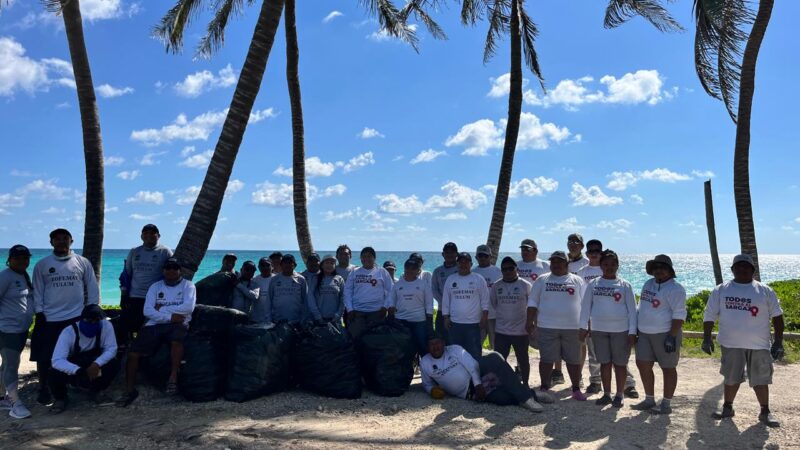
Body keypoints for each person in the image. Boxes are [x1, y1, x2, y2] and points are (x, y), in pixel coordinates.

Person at [702, 254, 784, 427]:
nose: (742, 269)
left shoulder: (765, 290)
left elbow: (777, 317)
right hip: (731, 344)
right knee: (731, 377)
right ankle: (727, 407)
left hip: (759, 344)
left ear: (753, 270)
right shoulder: (721, 289)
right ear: (732, 270)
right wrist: (707, 338)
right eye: (738, 266)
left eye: (746, 266)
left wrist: (778, 342)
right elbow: (709, 314)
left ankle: (765, 411)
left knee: (761, 379)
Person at [31, 228, 99, 406]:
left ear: (71, 241)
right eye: (57, 239)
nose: (61, 242)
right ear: (51, 242)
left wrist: (92, 307)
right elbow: (37, 290)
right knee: (44, 356)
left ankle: (73, 384)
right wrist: (39, 312)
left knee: (75, 353)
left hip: (75, 317)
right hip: (49, 318)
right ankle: (43, 387)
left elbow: (91, 285)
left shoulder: (82, 262)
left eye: (65, 239)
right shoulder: (42, 264)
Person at [117, 257, 196, 407]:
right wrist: (170, 317)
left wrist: (161, 309)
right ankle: (129, 389)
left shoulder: (188, 286)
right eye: (168, 268)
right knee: (134, 353)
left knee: (176, 341)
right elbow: (147, 311)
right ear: (163, 270)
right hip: (157, 323)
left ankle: (173, 378)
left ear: (180, 270)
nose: (171, 270)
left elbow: (188, 308)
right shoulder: (155, 287)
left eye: (174, 267)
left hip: (178, 323)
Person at [420, 334, 543, 412]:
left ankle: (526, 399)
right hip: (468, 392)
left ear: (443, 343)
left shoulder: (454, 349)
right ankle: (532, 394)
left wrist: (478, 383)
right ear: (427, 346)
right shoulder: (425, 362)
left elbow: (472, 364)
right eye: (431, 344)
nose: (435, 347)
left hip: (477, 374)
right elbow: (426, 384)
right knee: (501, 399)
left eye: (438, 343)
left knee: (494, 359)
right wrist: (431, 390)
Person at [579, 250, 637, 408]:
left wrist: (632, 332)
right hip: (599, 330)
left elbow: (632, 311)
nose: (609, 267)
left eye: (612, 264)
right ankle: (607, 394)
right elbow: (585, 307)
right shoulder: (594, 284)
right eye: (605, 264)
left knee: (620, 364)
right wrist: (583, 326)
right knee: (604, 363)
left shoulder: (625, 285)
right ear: (601, 265)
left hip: (621, 330)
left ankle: (619, 395)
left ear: (617, 265)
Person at [526, 251, 586, 402]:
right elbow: (532, 302)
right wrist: (529, 322)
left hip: (573, 327)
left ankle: (575, 388)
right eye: (553, 262)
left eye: (560, 262)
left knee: (573, 360)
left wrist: (586, 325)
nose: (556, 265)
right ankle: (544, 387)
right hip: (546, 326)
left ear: (566, 264)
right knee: (546, 359)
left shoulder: (577, 280)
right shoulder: (541, 280)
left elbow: (586, 305)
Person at [633, 254, 687, 415]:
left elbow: (679, 314)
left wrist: (672, 336)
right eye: (656, 268)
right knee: (643, 364)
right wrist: (635, 328)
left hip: (665, 333)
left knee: (668, 368)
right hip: (644, 333)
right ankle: (649, 399)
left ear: (670, 270)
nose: (659, 271)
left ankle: (666, 403)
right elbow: (640, 306)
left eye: (663, 268)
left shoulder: (676, 289)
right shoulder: (648, 284)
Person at [49, 304, 118, 413]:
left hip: (94, 361)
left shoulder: (106, 326)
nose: (93, 323)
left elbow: (111, 349)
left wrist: (97, 364)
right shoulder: (69, 332)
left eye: (96, 320)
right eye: (89, 320)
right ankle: (60, 398)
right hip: (75, 364)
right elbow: (57, 360)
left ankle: (96, 391)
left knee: (112, 364)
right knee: (54, 371)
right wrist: (77, 371)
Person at [119, 224, 173, 347]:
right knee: (130, 327)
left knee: (150, 329)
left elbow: (172, 274)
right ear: (141, 236)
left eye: (152, 233)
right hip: (134, 296)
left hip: (155, 298)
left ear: (158, 236)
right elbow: (126, 274)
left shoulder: (165, 251)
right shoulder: (134, 251)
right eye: (146, 233)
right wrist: (123, 295)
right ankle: (128, 349)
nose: (149, 235)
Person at [0, 245, 34, 419]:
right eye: (18, 258)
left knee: (7, 364)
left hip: (21, 329)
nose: (22, 261)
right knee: (12, 365)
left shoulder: (22, 275)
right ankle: (15, 403)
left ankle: (2, 398)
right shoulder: (5, 276)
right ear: (10, 259)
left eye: (25, 258)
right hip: (8, 329)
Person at [491, 257, 533, 387]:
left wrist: (532, 324)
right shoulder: (496, 285)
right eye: (504, 269)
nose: (508, 271)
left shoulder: (525, 285)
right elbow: (494, 303)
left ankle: (525, 384)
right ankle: (500, 383)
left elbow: (532, 305)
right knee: (499, 360)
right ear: (501, 271)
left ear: (516, 269)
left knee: (523, 359)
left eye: (511, 268)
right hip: (501, 331)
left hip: (520, 331)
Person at [442, 252, 489, 360]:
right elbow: (446, 300)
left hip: (473, 324)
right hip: (455, 324)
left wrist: (485, 316)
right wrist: (445, 317)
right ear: (457, 264)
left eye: (466, 262)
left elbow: (485, 300)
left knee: (474, 353)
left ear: (471, 264)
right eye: (460, 262)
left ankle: (475, 376)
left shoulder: (478, 278)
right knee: (455, 353)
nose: (463, 265)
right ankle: (458, 376)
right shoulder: (451, 279)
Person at [387, 259, 433, 357]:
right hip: (401, 321)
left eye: (413, 269)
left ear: (418, 271)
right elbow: (391, 301)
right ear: (404, 269)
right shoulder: (397, 285)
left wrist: (429, 320)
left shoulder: (423, 284)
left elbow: (429, 303)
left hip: (419, 321)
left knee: (422, 346)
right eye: (407, 268)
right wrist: (391, 311)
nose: (410, 271)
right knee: (403, 347)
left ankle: (425, 368)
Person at [344, 247, 393, 339]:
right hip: (357, 312)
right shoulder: (354, 272)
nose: (366, 259)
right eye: (364, 256)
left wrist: (385, 307)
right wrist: (350, 309)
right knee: (356, 339)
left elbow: (391, 290)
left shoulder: (382, 272)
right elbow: (347, 291)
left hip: (377, 312)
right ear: (360, 258)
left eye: (369, 256)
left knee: (375, 339)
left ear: (374, 258)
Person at [266, 254, 310, 325]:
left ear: (294, 265)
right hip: (277, 321)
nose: (287, 265)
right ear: (281, 265)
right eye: (285, 263)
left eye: (290, 263)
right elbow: (268, 300)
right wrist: (269, 319)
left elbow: (306, 301)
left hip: (296, 321)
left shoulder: (301, 279)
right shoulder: (274, 279)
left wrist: (304, 319)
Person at [473, 245, 501, 350]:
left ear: (490, 257)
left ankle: (498, 365)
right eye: (480, 256)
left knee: (496, 346)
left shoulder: (499, 272)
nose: (483, 258)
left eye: (485, 256)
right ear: (476, 257)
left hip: (495, 315)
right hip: (477, 316)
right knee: (476, 345)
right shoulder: (472, 272)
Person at [432, 242, 459, 342]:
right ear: (443, 254)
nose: (449, 254)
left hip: (458, 311)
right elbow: (434, 290)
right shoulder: (437, 271)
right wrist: (445, 303)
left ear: (457, 254)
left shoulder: (461, 269)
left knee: (456, 339)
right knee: (440, 338)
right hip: (442, 311)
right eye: (447, 252)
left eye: (452, 252)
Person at [308, 255, 345, 326]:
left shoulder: (339, 279)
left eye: (332, 263)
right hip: (319, 319)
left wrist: (338, 315)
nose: (329, 265)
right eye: (327, 263)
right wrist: (317, 316)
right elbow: (310, 297)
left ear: (335, 266)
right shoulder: (315, 278)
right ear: (322, 265)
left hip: (336, 319)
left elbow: (343, 298)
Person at [250, 258, 273, 324]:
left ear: (272, 266)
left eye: (267, 265)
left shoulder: (276, 279)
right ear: (259, 267)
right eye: (262, 265)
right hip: (256, 319)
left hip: (272, 319)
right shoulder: (254, 280)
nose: (265, 267)